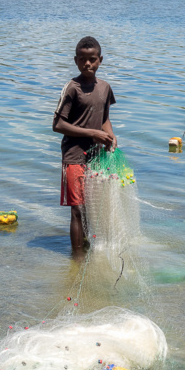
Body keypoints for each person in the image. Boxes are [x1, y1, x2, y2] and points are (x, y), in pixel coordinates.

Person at [53, 36, 117, 252]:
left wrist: (110, 136)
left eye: (92, 59)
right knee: (77, 209)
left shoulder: (105, 88)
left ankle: (87, 246)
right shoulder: (72, 88)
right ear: (75, 61)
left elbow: (105, 119)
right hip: (74, 156)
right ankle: (77, 258)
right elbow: (57, 124)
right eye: (82, 59)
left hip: (96, 156)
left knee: (90, 206)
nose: (87, 63)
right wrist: (92, 133)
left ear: (100, 60)